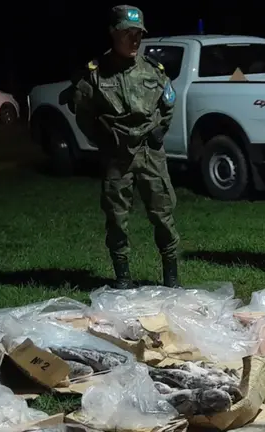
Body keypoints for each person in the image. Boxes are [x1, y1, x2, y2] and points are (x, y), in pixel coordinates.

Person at [72, 5, 181, 289]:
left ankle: (171, 277)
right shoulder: (96, 74)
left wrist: (160, 130)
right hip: (117, 157)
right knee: (117, 218)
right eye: (127, 33)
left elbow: (168, 102)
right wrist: (102, 140)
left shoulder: (153, 71)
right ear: (113, 33)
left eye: (138, 34)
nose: (134, 40)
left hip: (150, 154)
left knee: (163, 215)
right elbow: (83, 113)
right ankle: (123, 278)